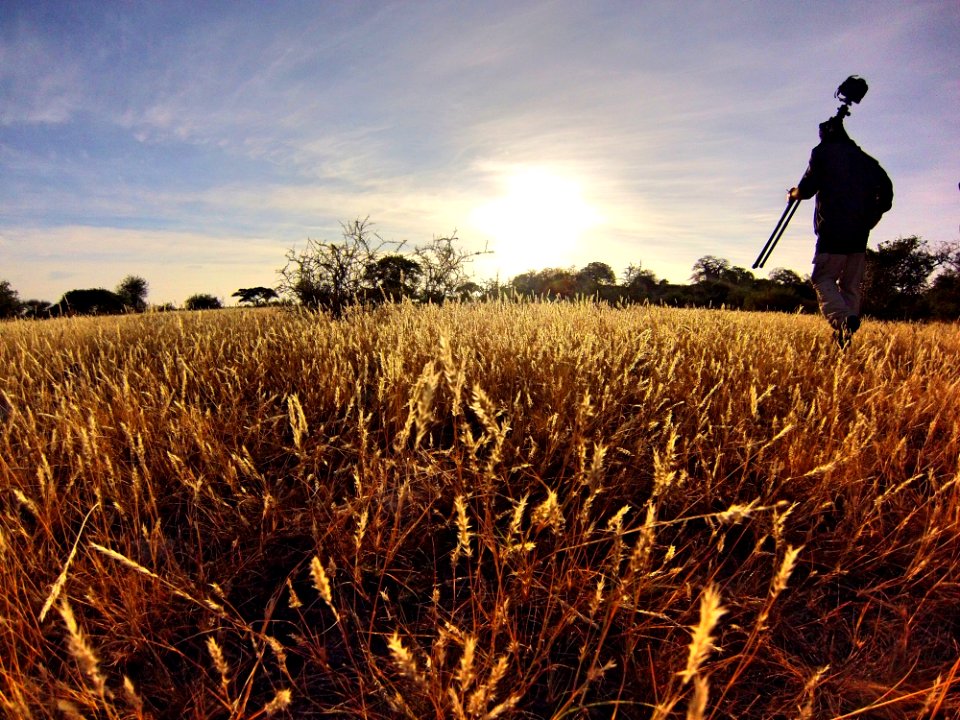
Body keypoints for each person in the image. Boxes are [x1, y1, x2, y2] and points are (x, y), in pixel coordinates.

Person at [789, 116, 893, 347]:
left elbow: (806, 189)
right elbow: (887, 194)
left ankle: (843, 319)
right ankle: (845, 337)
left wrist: (793, 194)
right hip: (860, 232)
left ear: (825, 134)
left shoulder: (823, 153)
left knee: (822, 278)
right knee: (850, 285)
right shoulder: (866, 160)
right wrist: (873, 216)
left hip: (832, 230)